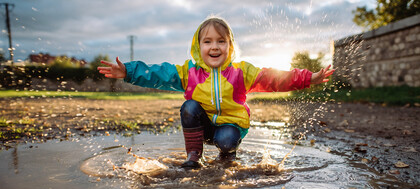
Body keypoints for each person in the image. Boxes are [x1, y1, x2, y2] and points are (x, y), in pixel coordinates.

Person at [98, 16, 334, 169]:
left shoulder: (241, 72)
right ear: (198, 47)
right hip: (203, 126)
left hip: (229, 128)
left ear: (230, 46)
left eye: (221, 41)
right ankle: (194, 155)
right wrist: (128, 71)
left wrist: (308, 78)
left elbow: (275, 78)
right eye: (208, 41)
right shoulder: (189, 73)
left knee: (227, 140)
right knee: (188, 106)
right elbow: (157, 74)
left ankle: (227, 156)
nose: (214, 47)